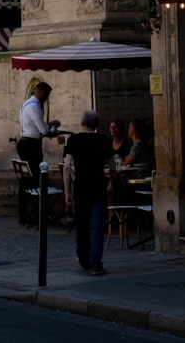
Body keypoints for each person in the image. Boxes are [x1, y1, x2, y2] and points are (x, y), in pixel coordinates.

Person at [63, 110, 113, 276]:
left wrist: (67, 192)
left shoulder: (74, 140)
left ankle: (83, 259)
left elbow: (66, 167)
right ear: (97, 125)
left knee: (82, 224)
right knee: (98, 226)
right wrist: (112, 182)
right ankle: (97, 264)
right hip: (98, 186)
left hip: (81, 187)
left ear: (82, 123)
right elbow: (111, 165)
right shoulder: (103, 140)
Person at [17, 82, 60, 224]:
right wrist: (52, 123)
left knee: (26, 180)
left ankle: (26, 214)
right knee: (34, 179)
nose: (46, 98)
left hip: (25, 142)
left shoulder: (25, 104)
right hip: (31, 145)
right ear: (40, 92)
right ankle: (35, 214)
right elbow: (43, 130)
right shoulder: (34, 106)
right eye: (46, 95)